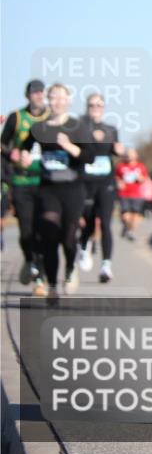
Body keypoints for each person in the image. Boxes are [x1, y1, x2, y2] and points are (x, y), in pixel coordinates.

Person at [20, 83, 95, 305]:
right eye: (53, 98)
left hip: (72, 189)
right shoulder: (40, 128)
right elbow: (24, 147)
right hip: (48, 189)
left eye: (62, 98)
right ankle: (52, 286)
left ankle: (70, 269)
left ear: (69, 101)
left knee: (68, 239)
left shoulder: (77, 126)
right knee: (50, 235)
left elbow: (89, 156)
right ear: (47, 100)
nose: (57, 102)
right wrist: (23, 156)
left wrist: (71, 147)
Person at [1, 80, 50, 294]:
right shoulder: (17, 117)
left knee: (44, 229)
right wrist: (10, 153)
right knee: (26, 229)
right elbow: (3, 143)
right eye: (34, 92)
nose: (38, 96)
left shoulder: (52, 117)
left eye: (41, 92)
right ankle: (30, 260)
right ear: (28, 95)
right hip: (21, 180)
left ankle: (39, 275)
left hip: (46, 181)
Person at [78, 93, 124, 282]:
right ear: (87, 107)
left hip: (106, 183)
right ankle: (84, 246)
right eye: (92, 105)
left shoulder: (110, 129)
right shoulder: (79, 127)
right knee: (87, 222)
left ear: (103, 108)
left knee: (105, 223)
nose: (96, 108)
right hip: (86, 182)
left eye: (99, 105)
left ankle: (106, 265)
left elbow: (115, 149)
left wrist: (118, 150)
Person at [115, 149, 148, 241]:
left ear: (136, 155)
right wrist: (119, 182)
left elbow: (145, 179)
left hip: (137, 194)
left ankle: (130, 231)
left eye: (132, 154)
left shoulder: (140, 166)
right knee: (125, 215)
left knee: (135, 215)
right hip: (124, 193)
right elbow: (116, 177)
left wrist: (140, 178)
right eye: (128, 154)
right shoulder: (121, 166)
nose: (129, 156)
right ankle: (126, 226)